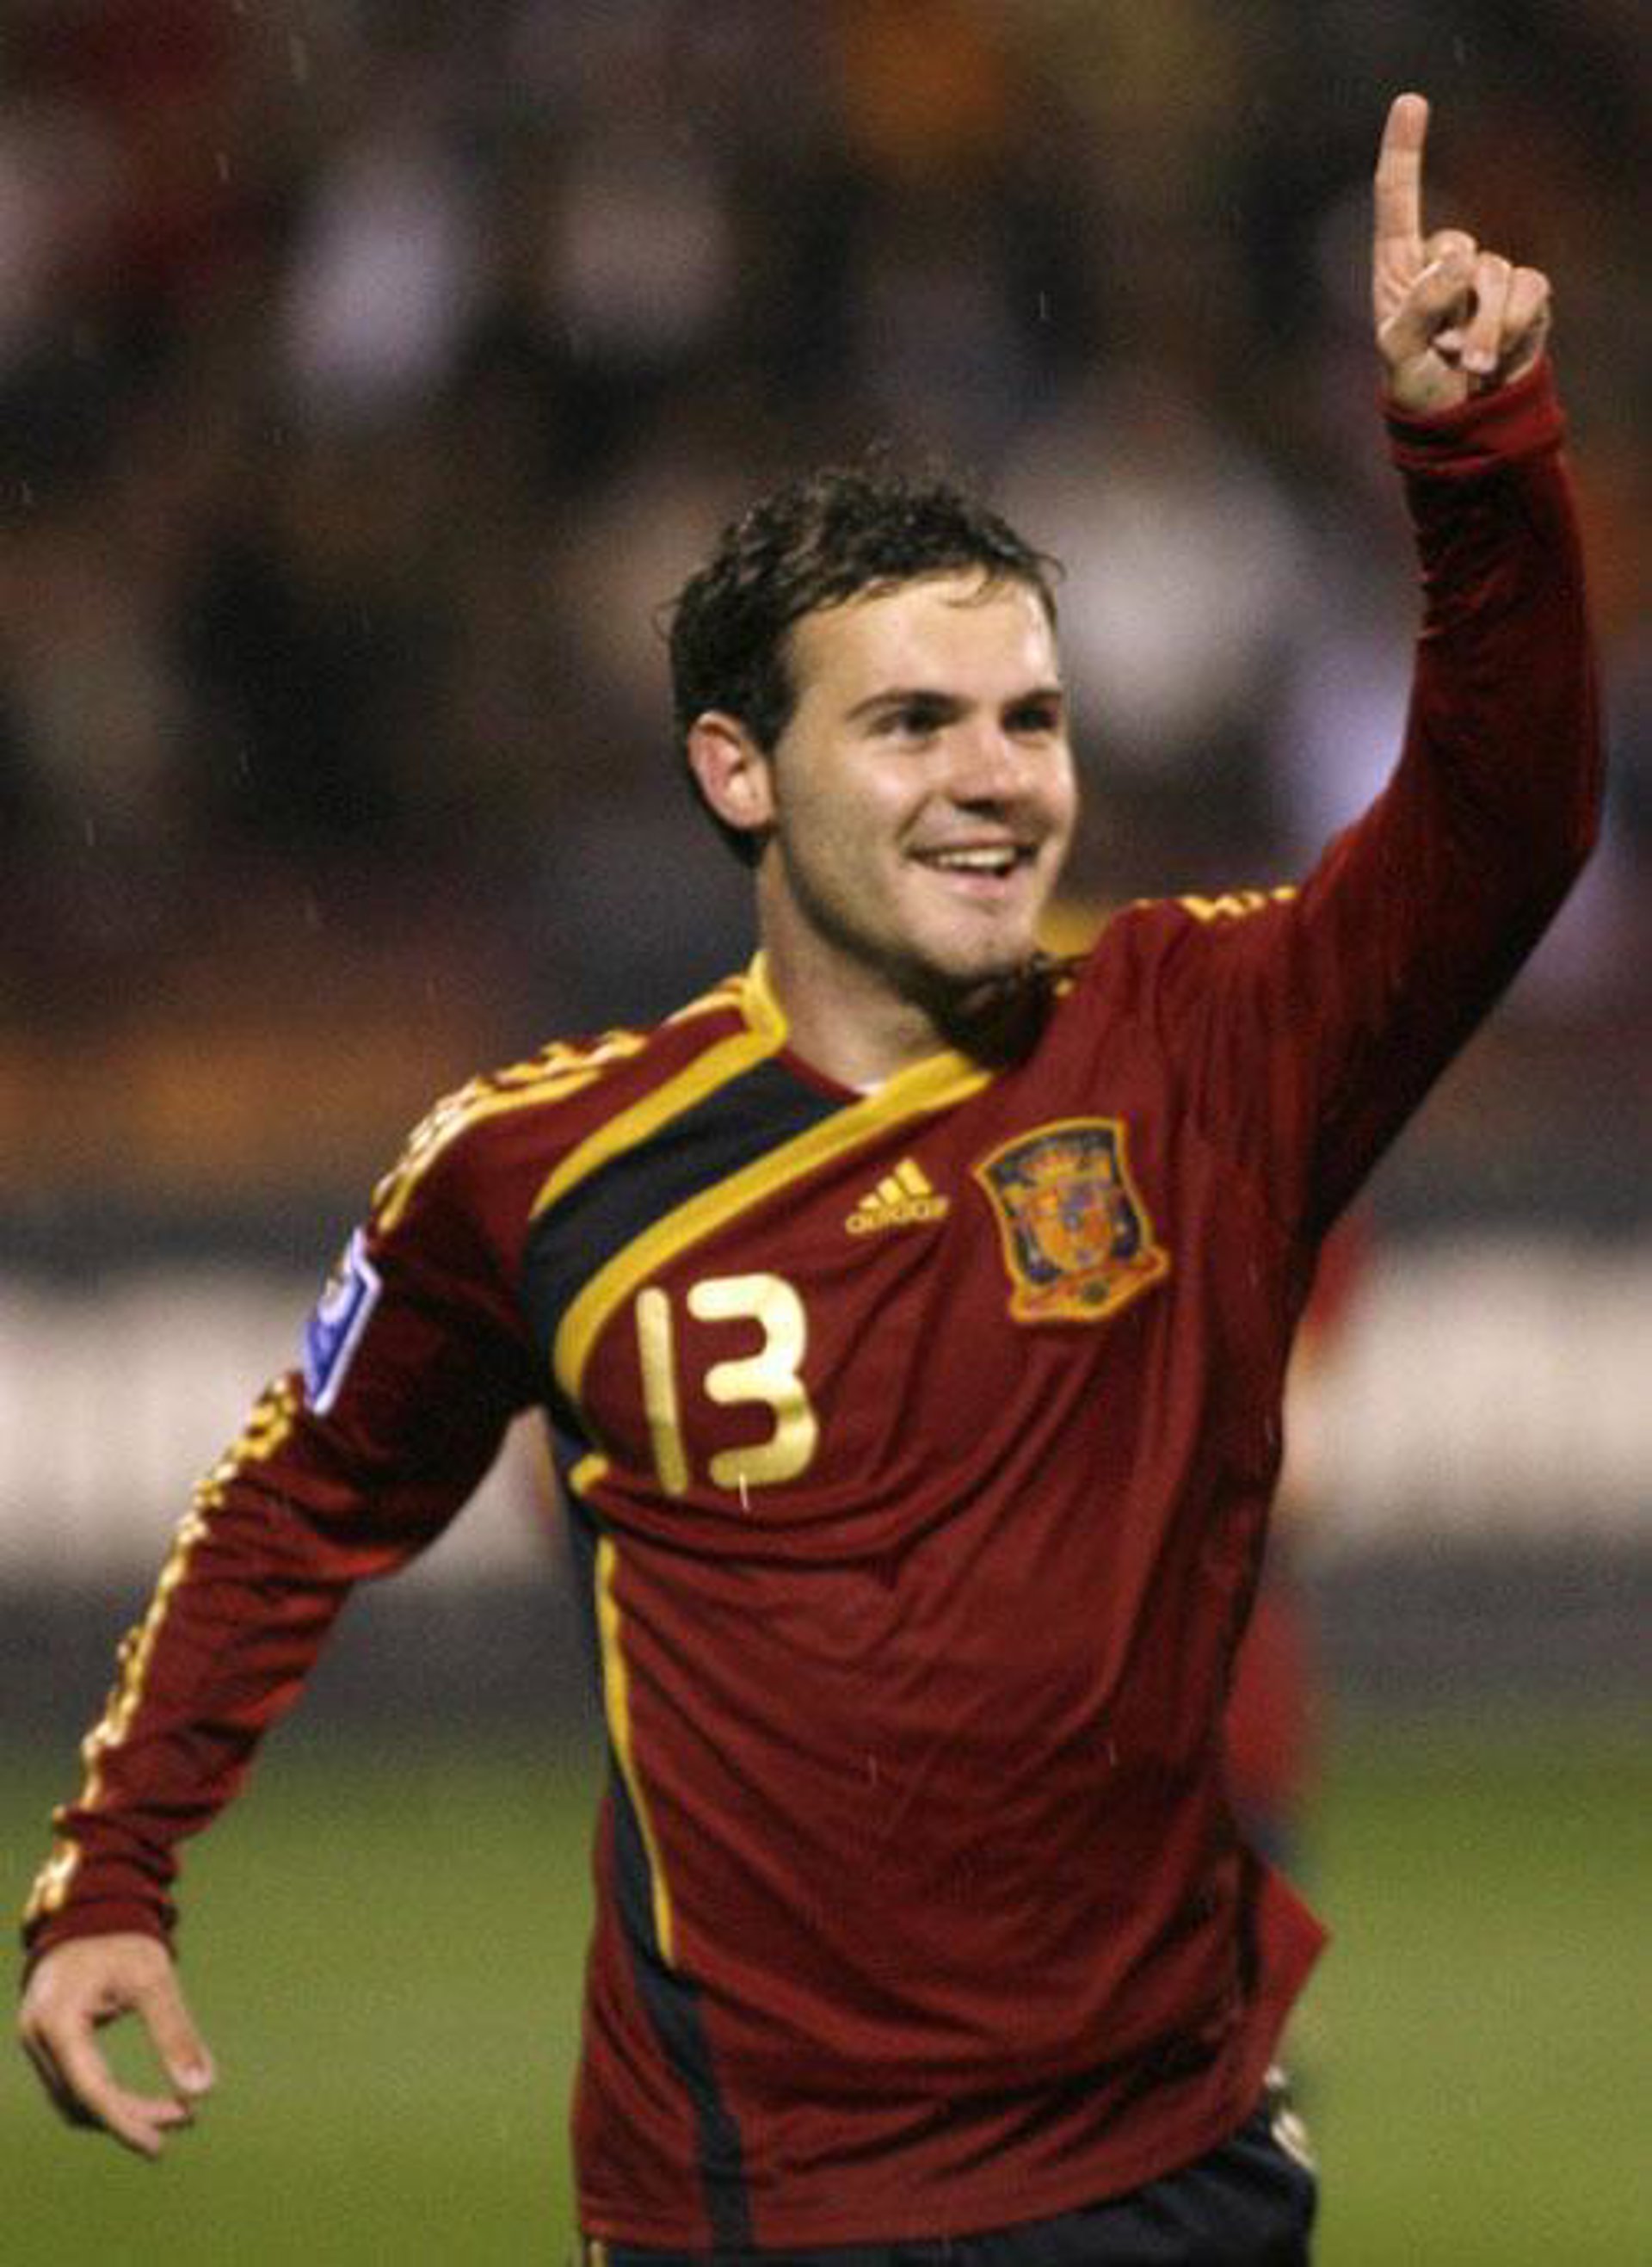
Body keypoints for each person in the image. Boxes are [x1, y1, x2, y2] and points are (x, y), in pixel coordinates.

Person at [18, 94, 1599, 2264]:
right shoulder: (537, 1168)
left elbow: (1508, 824)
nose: (995, 780)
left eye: (1031, 720)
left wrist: (1473, 452)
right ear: (738, 772)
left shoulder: (1204, 1034)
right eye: (914, 724)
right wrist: (115, 1870)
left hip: (1169, 2174)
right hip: (754, 2204)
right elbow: (301, 1500)